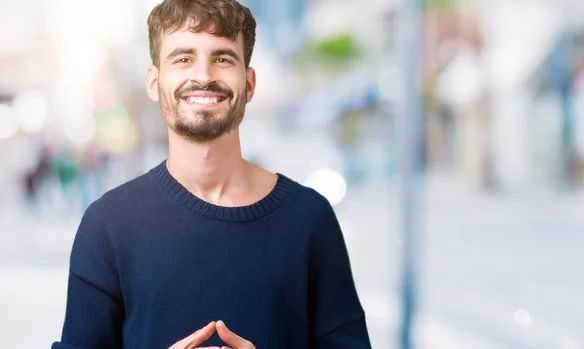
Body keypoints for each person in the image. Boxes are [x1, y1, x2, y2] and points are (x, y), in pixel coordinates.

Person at [52, 0, 372, 348]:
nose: (203, 76)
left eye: (222, 58)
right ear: (154, 82)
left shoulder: (310, 218)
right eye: (183, 59)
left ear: (249, 83)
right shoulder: (108, 224)